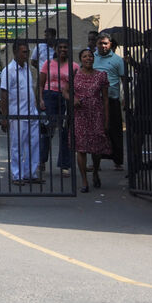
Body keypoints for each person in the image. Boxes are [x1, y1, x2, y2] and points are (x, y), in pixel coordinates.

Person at [0, 42, 42, 185]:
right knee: (17, 145)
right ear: (15, 52)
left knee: (34, 143)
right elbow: (4, 95)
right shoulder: (9, 71)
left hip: (31, 112)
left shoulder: (27, 69)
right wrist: (5, 117)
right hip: (17, 114)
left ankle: (30, 173)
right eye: (24, 52)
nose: (26, 55)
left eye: (27, 52)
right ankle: (17, 175)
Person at [72, 48, 111, 193]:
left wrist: (106, 119)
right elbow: (65, 91)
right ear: (80, 59)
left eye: (90, 56)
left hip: (96, 114)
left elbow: (105, 99)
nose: (88, 58)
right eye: (85, 56)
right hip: (80, 115)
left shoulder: (101, 76)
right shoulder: (75, 74)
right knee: (81, 148)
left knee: (96, 149)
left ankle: (95, 171)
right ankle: (84, 180)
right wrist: (73, 99)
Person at [38, 39, 77, 177]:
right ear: (55, 49)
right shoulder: (47, 64)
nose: (63, 50)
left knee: (65, 132)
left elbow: (75, 86)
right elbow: (41, 84)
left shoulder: (74, 66)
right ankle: (42, 161)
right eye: (60, 47)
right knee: (46, 131)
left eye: (65, 47)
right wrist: (41, 99)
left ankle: (64, 165)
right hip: (49, 97)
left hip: (64, 99)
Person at [94, 33, 126, 171]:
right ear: (97, 44)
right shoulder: (92, 57)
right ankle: (96, 162)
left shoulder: (118, 60)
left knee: (115, 131)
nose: (103, 46)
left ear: (110, 44)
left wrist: (126, 98)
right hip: (95, 100)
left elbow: (124, 79)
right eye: (101, 43)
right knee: (96, 132)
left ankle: (117, 161)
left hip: (112, 100)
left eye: (106, 43)